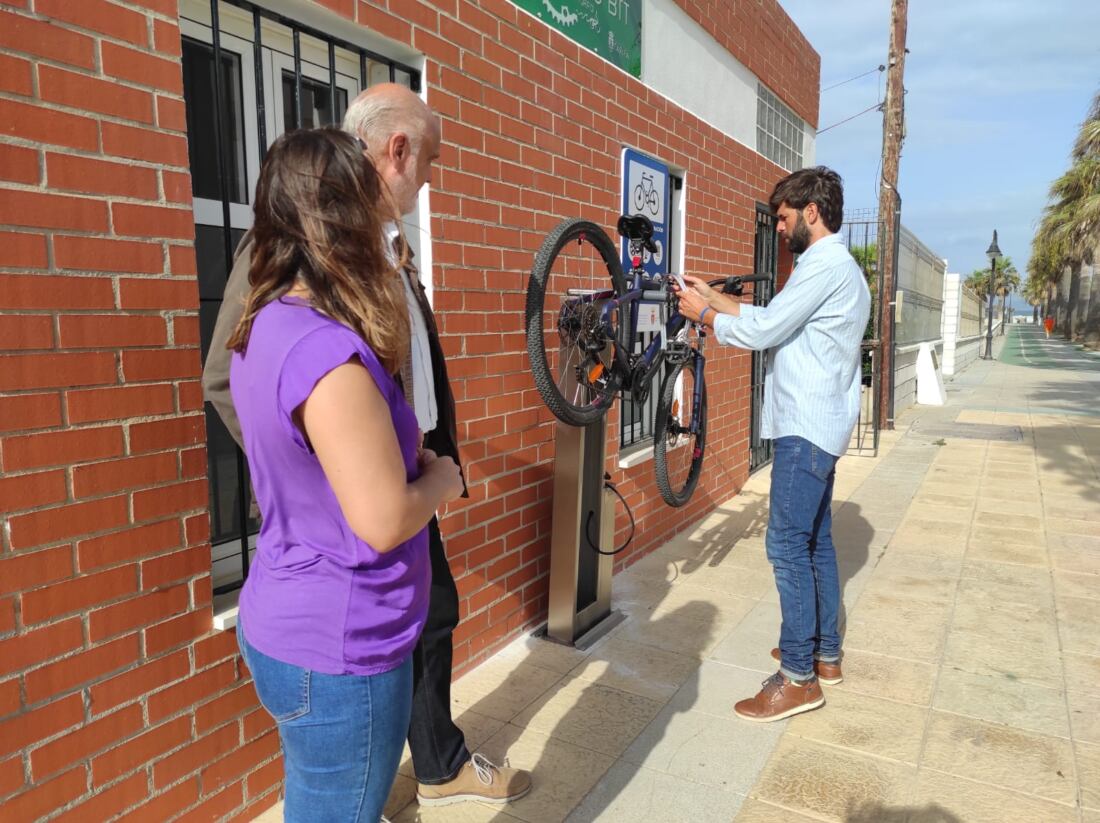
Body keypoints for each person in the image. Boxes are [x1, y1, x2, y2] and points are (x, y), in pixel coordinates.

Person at [202, 84, 531, 807]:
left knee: (425, 632)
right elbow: (238, 386)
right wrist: (314, 474)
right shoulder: (314, 333)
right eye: (428, 160)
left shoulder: (302, 305)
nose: (419, 183)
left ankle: (434, 761)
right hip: (343, 604)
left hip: (331, 573)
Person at [227, 127, 464, 822]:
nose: (386, 217)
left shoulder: (263, 322)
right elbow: (384, 516)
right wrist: (442, 479)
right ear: (344, 216)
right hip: (341, 648)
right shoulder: (327, 353)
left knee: (317, 798)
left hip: (289, 618)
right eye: (372, 205)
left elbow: (317, 461)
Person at [677, 166, 871, 722]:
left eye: (784, 217)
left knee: (787, 546)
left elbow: (764, 333)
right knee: (815, 542)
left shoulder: (823, 264)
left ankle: (798, 678)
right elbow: (777, 319)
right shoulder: (836, 268)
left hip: (805, 429)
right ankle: (822, 653)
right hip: (822, 426)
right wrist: (717, 299)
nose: (780, 228)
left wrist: (707, 317)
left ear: (811, 211)